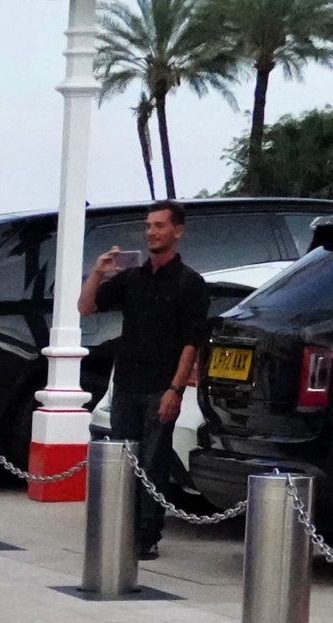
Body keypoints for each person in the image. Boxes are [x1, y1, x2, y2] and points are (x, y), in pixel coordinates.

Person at [79, 199, 208, 561]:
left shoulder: (190, 283)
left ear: (177, 231)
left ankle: (147, 535)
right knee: (123, 460)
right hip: (127, 384)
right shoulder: (132, 278)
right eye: (148, 226)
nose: (152, 231)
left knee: (154, 464)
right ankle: (120, 528)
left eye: (160, 225)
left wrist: (175, 390)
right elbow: (86, 308)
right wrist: (98, 272)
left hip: (160, 386)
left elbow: (191, 342)